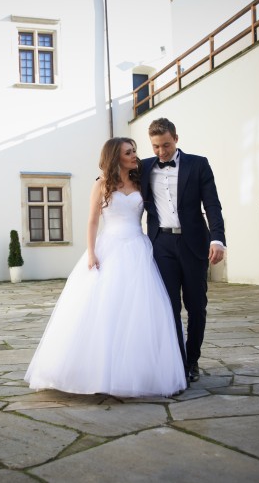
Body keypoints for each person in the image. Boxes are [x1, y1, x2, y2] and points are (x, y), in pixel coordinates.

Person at [25, 137, 187, 397]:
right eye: (128, 152)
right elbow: (92, 221)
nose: (134, 155)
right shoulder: (101, 185)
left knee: (140, 311)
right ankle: (98, 373)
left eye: (134, 151)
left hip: (138, 249)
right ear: (115, 157)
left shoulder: (140, 182)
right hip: (109, 248)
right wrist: (91, 253)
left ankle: (139, 372)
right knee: (105, 308)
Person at [140, 118, 226, 386]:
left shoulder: (198, 164)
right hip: (161, 245)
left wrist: (218, 239)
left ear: (176, 139)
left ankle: (193, 360)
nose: (161, 152)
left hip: (193, 245)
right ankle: (178, 362)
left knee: (196, 306)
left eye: (166, 145)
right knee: (170, 307)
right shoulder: (144, 167)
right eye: (155, 147)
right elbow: (115, 176)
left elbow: (212, 204)